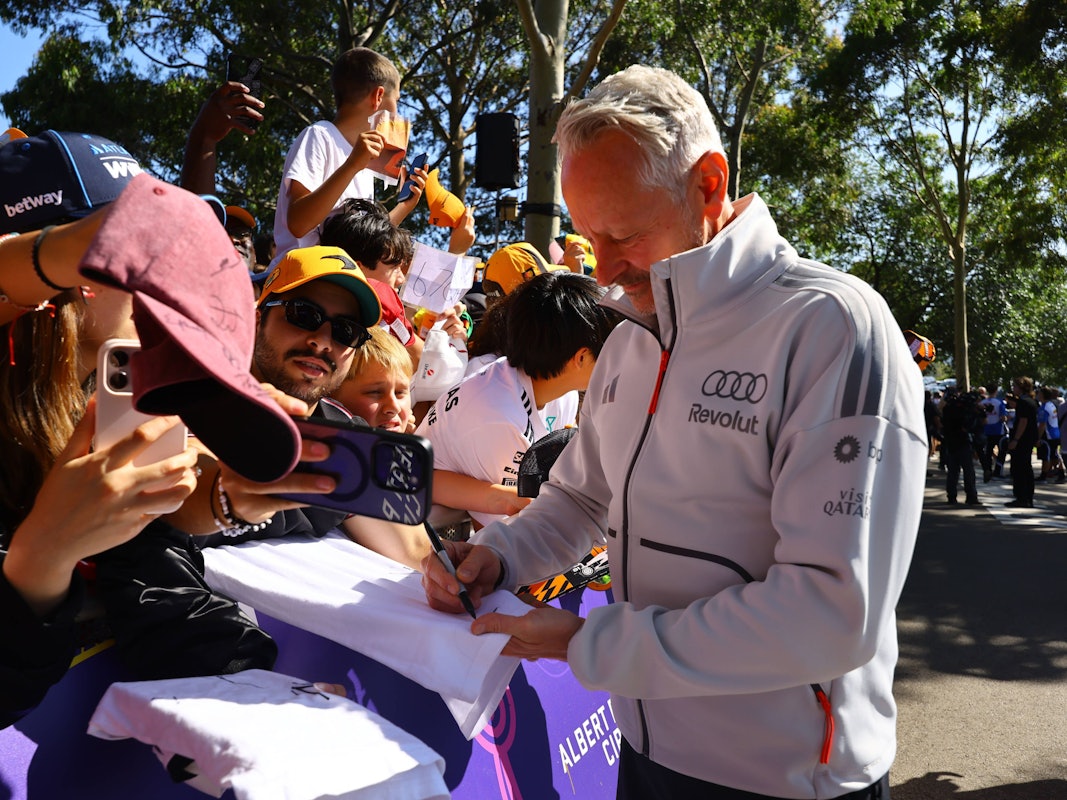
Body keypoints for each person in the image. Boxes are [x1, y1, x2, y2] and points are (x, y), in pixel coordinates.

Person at [422, 65, 927, 800]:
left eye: (623, 234)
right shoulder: (629, 336)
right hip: (646, 751)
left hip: (783, 780)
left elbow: (831, 613)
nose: (603, 269)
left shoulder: (832, 328)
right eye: (587, 236)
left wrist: (591, 644)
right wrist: (497, 558)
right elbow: (578, 498)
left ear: (708, 186)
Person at [167, 245, 431, 569]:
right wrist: (226, 494)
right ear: (257, 321)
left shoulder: (350, 437)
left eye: (346, 331)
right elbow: (178, 483)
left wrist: (460, 570)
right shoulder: (185, 407)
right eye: (303, 315)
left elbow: (416, 551)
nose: (323, 341)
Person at [417, 271, 619, 529]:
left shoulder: (561, 392)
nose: (621, 362)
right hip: (421, 513)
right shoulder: (500, 417)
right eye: (614, 352)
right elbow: (496, 531)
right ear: (580, 358)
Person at [272, 47, 425, 261]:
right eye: (396, 101)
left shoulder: (363, 162)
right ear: (378, 96)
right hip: (299, 276)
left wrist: (404, 207)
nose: (397, 113)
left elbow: (365, 243)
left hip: (340, 275)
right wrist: (352, 165)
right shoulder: (320, 135)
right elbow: (298, 224)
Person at [939, 387, 980, 505]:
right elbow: (968, 425)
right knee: (968, 470)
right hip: (962, 441)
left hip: (951, 442)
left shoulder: (947, 408)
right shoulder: (964, 410)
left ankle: (951, 496)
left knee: (953, 471)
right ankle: (971, 496)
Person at [1006, 376, 1038, 508]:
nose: (1013, 389)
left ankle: (1022, 497)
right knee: (1026, 467)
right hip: (1029, 439)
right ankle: (1027, 497)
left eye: (1015, 386)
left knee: (1019, 468)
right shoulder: (1032, 401)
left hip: (1022, 440)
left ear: (1021, 387)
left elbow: (1023, 422)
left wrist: (1015, 439)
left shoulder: (1023, 402)